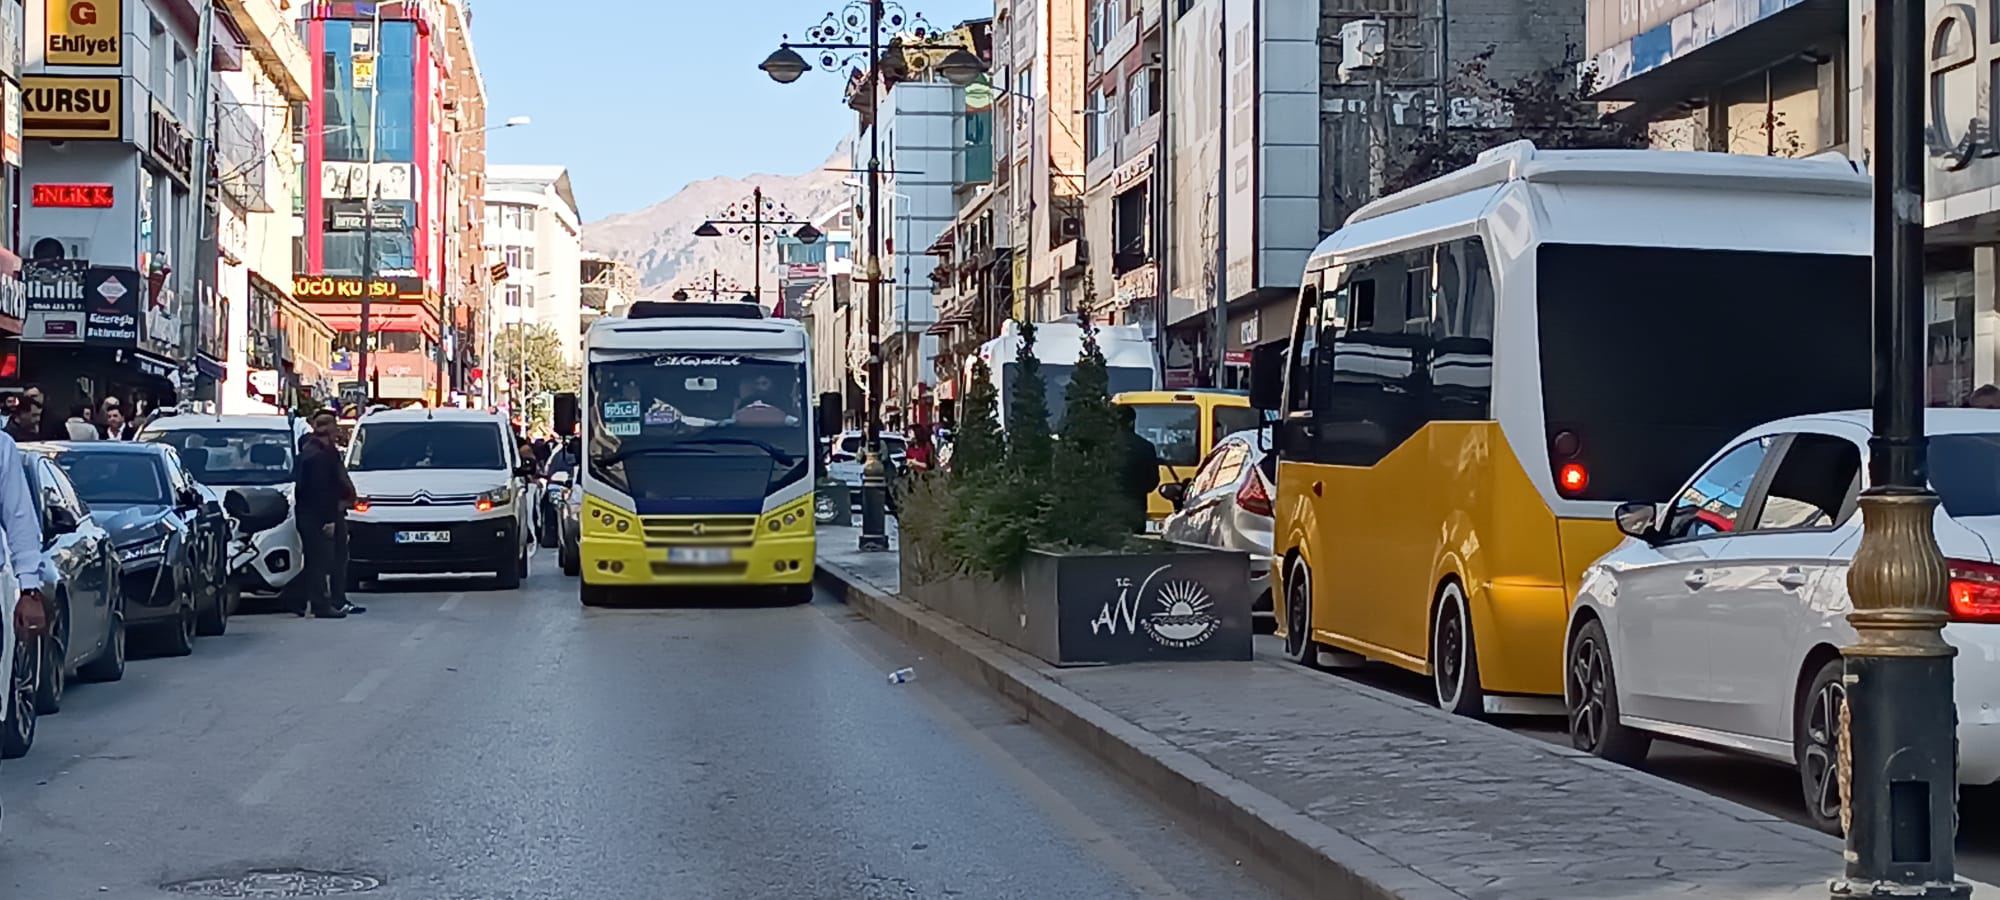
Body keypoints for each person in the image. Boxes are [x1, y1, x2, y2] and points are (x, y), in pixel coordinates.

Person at [293, 411, 362, 618]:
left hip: (324, 511)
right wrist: (329, 520)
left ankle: (322, 600)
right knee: (321, 560)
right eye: (334, 427)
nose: (337, 432)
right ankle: (320, 604)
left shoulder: (317, 450)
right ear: (328, 429)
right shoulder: (318, 455)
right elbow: (321, 490)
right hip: (322, 514)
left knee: (325, 558)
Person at [1117, 405, 1162, 533]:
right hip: (1135, 510)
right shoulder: (1145, 447)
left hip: (1105, 512)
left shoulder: (1101, 448)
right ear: (1132, 422)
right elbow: (1152, 482)